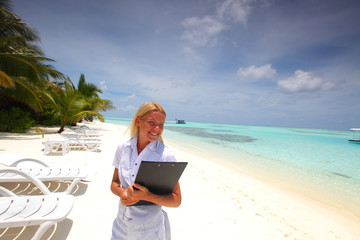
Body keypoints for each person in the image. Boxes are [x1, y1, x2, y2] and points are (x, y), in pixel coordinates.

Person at [111, 101, 182, 240]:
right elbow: (114, 183)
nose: (157, 128)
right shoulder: (123, 148)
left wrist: (146, 196)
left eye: (161, 124)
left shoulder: (165, 156)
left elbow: (176, 200)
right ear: (138, 121)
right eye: (151, 122)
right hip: (120, 224)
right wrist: (122, 193)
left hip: (149, 230)